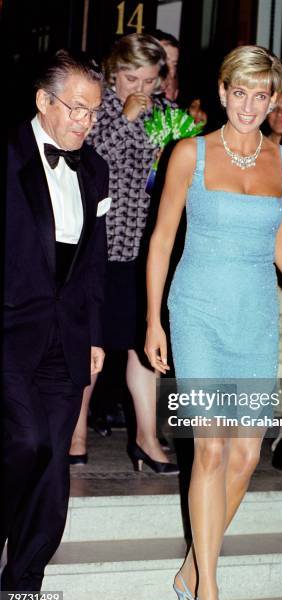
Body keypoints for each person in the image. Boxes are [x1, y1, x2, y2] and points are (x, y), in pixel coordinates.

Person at [144, 45, 282, 600]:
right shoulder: (191, 154)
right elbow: (161, 241)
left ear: (273, 98)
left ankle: (190, 569)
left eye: (262, 96)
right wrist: (152, 318)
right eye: (239, 93)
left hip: (254, 315)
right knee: (209, 451)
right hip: (198, 311)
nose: (250, 106)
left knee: (246, 458)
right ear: (224, 91)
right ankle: (209, 593)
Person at [1, 50, 108, 599]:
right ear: (43, 101)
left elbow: (93, 261)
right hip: (10, 333)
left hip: (66, 338)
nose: (85, 122)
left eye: (94, 112)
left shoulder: (95, 168)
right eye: (76, 108)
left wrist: (93, 335)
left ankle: (22, 587)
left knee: (52, 470)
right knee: (24, 443)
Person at [70, 33, 179, 475]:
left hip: (147, 249)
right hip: (97, 245)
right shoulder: (97, 110)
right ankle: (75, 434)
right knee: (90, 345)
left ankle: (146, 439)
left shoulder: (169, 116)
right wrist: (125, 120)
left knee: (145, 347)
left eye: (149, 79)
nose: (140, 87)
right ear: (113, 72)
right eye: (131, 76)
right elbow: (88, 162)